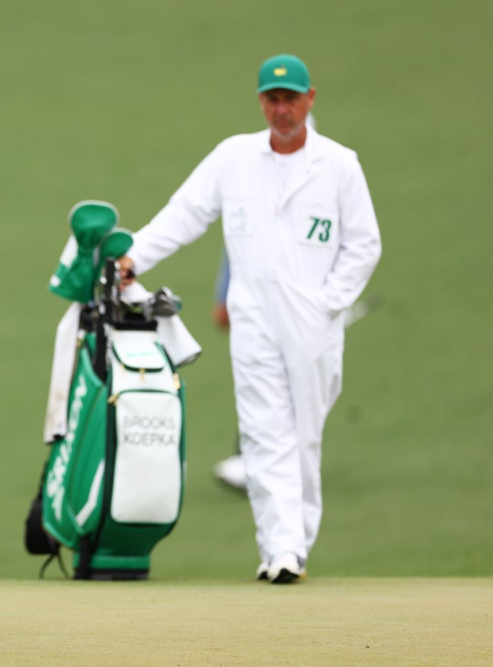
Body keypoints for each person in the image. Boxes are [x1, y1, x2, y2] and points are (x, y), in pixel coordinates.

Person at [119, 55, 380, 583]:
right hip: (252, 316)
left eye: (290, 99)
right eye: (272, 99)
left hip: (313, 319)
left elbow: (364, 245)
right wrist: (133, 257)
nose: (281, 109)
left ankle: (296, 541)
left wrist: (328, 301)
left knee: (304, 432)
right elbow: (184, 213)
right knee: (263, 432)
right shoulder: (234, 157)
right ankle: (280, 549)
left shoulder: (339, 164)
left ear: (310, 100)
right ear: (261, 102)